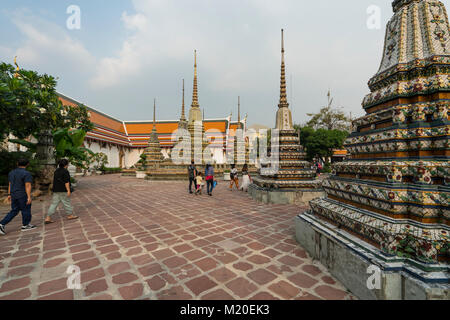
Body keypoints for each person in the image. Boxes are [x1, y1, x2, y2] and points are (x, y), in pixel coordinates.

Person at [0, 158, 36, 235]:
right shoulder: (26, 173)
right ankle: (25, 225)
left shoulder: (11, 173)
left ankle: (2, 224)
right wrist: (29, 197)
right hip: (22, 194)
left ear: (17, 163)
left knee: (14, 210)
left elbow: (10, 184)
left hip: (14, 194)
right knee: (26, 209)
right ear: (27, 164)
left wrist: (9, 194)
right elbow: (28, 185)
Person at [44, 159, 78, 224]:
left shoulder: (56, 171)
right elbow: (66, 182)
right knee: (66, 203)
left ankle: (48, 217)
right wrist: (68, 190)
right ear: (66, 165)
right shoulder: (65, 171)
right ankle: (70, 215)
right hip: (63, 190)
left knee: (54, 204)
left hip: (56, 190)